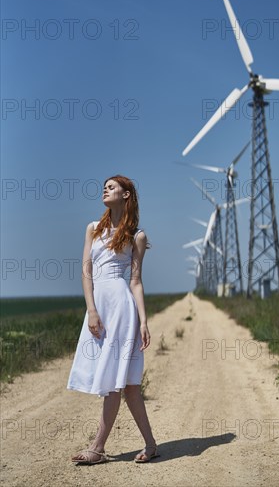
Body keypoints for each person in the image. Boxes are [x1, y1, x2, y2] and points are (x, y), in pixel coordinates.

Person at [66, 174, 159, 465]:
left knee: (121, 381)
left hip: (122, 309)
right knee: (128, 384)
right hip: (99, 307)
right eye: (104, 186)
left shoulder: (137, 236)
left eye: (112, 186)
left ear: (127, 195)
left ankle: (97, 448)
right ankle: (151, 444)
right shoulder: (93, 228)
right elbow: (86, 272)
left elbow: (135, 281)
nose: (105, 189)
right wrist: (91, 310)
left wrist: (144, 321)